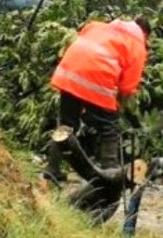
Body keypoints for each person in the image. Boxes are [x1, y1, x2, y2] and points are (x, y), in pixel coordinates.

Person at [45, 16, 150, 223]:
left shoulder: (97, 26)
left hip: (68, 72)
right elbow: (128, 87)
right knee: (110, 129)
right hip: (96, 78)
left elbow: (82, 46)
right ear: (145, 34)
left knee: (66, 127)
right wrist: (118, 106)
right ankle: (109, 173)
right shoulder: (137, 45)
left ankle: (51, 172)